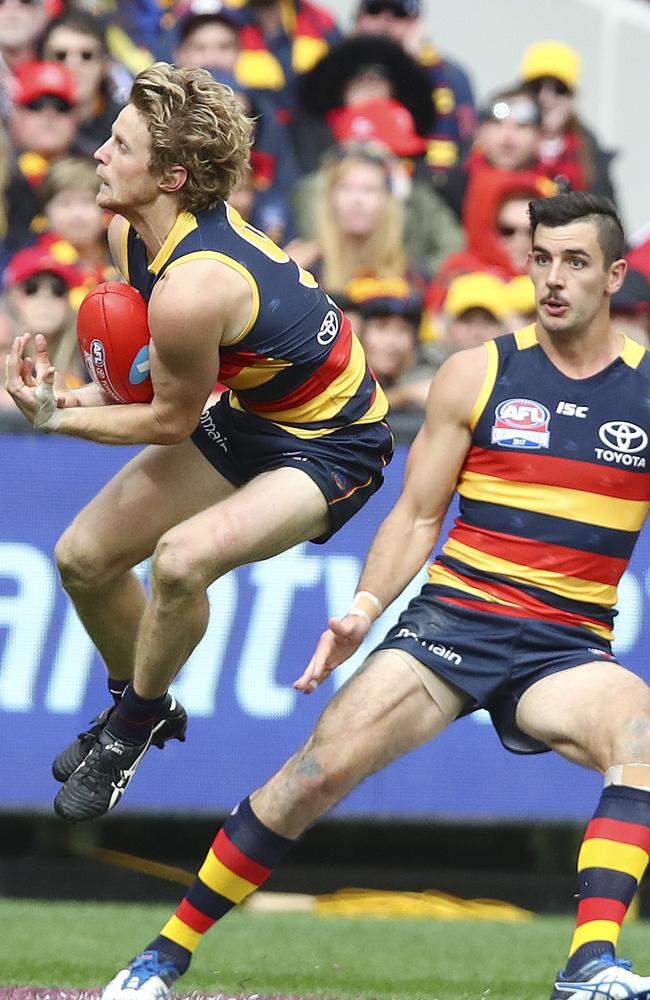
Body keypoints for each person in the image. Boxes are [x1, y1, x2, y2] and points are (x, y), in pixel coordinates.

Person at [89, 191, 650, 999]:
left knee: (638, 740)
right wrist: (363, 608)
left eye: (575, 262)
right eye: (541, 259)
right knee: (314, 772)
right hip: (450, 629)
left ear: (614, 276)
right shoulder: (478, 373)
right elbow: (417, 515)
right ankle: (162, 955)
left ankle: (589, 962)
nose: (553, 279)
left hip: (566, 650)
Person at [5, 62, 392, 824]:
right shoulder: (129, 237)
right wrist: (66, 395)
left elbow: (169, 421)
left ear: (173, 176)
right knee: (82, 558)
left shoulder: (193, 286)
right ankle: (139, 702)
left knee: (182, 561)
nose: (101, 156)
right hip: (253, 411)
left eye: (120, 145)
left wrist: (52, 420)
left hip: (333, 442)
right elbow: (149, 389)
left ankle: (130, 729)